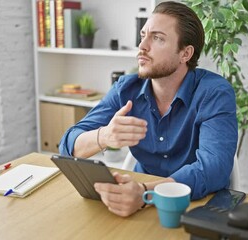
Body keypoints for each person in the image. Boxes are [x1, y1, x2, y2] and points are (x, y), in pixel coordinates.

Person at [59, 1, 238, 217]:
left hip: (196, 206)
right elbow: (68, 146)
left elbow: (214, 170)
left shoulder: (214, 93)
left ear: (185, 53)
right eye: (143, 35)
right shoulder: (125, 89)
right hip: (138, 199)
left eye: (158, 38)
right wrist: (104, 136)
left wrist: (146, 193)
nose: (142, 46)